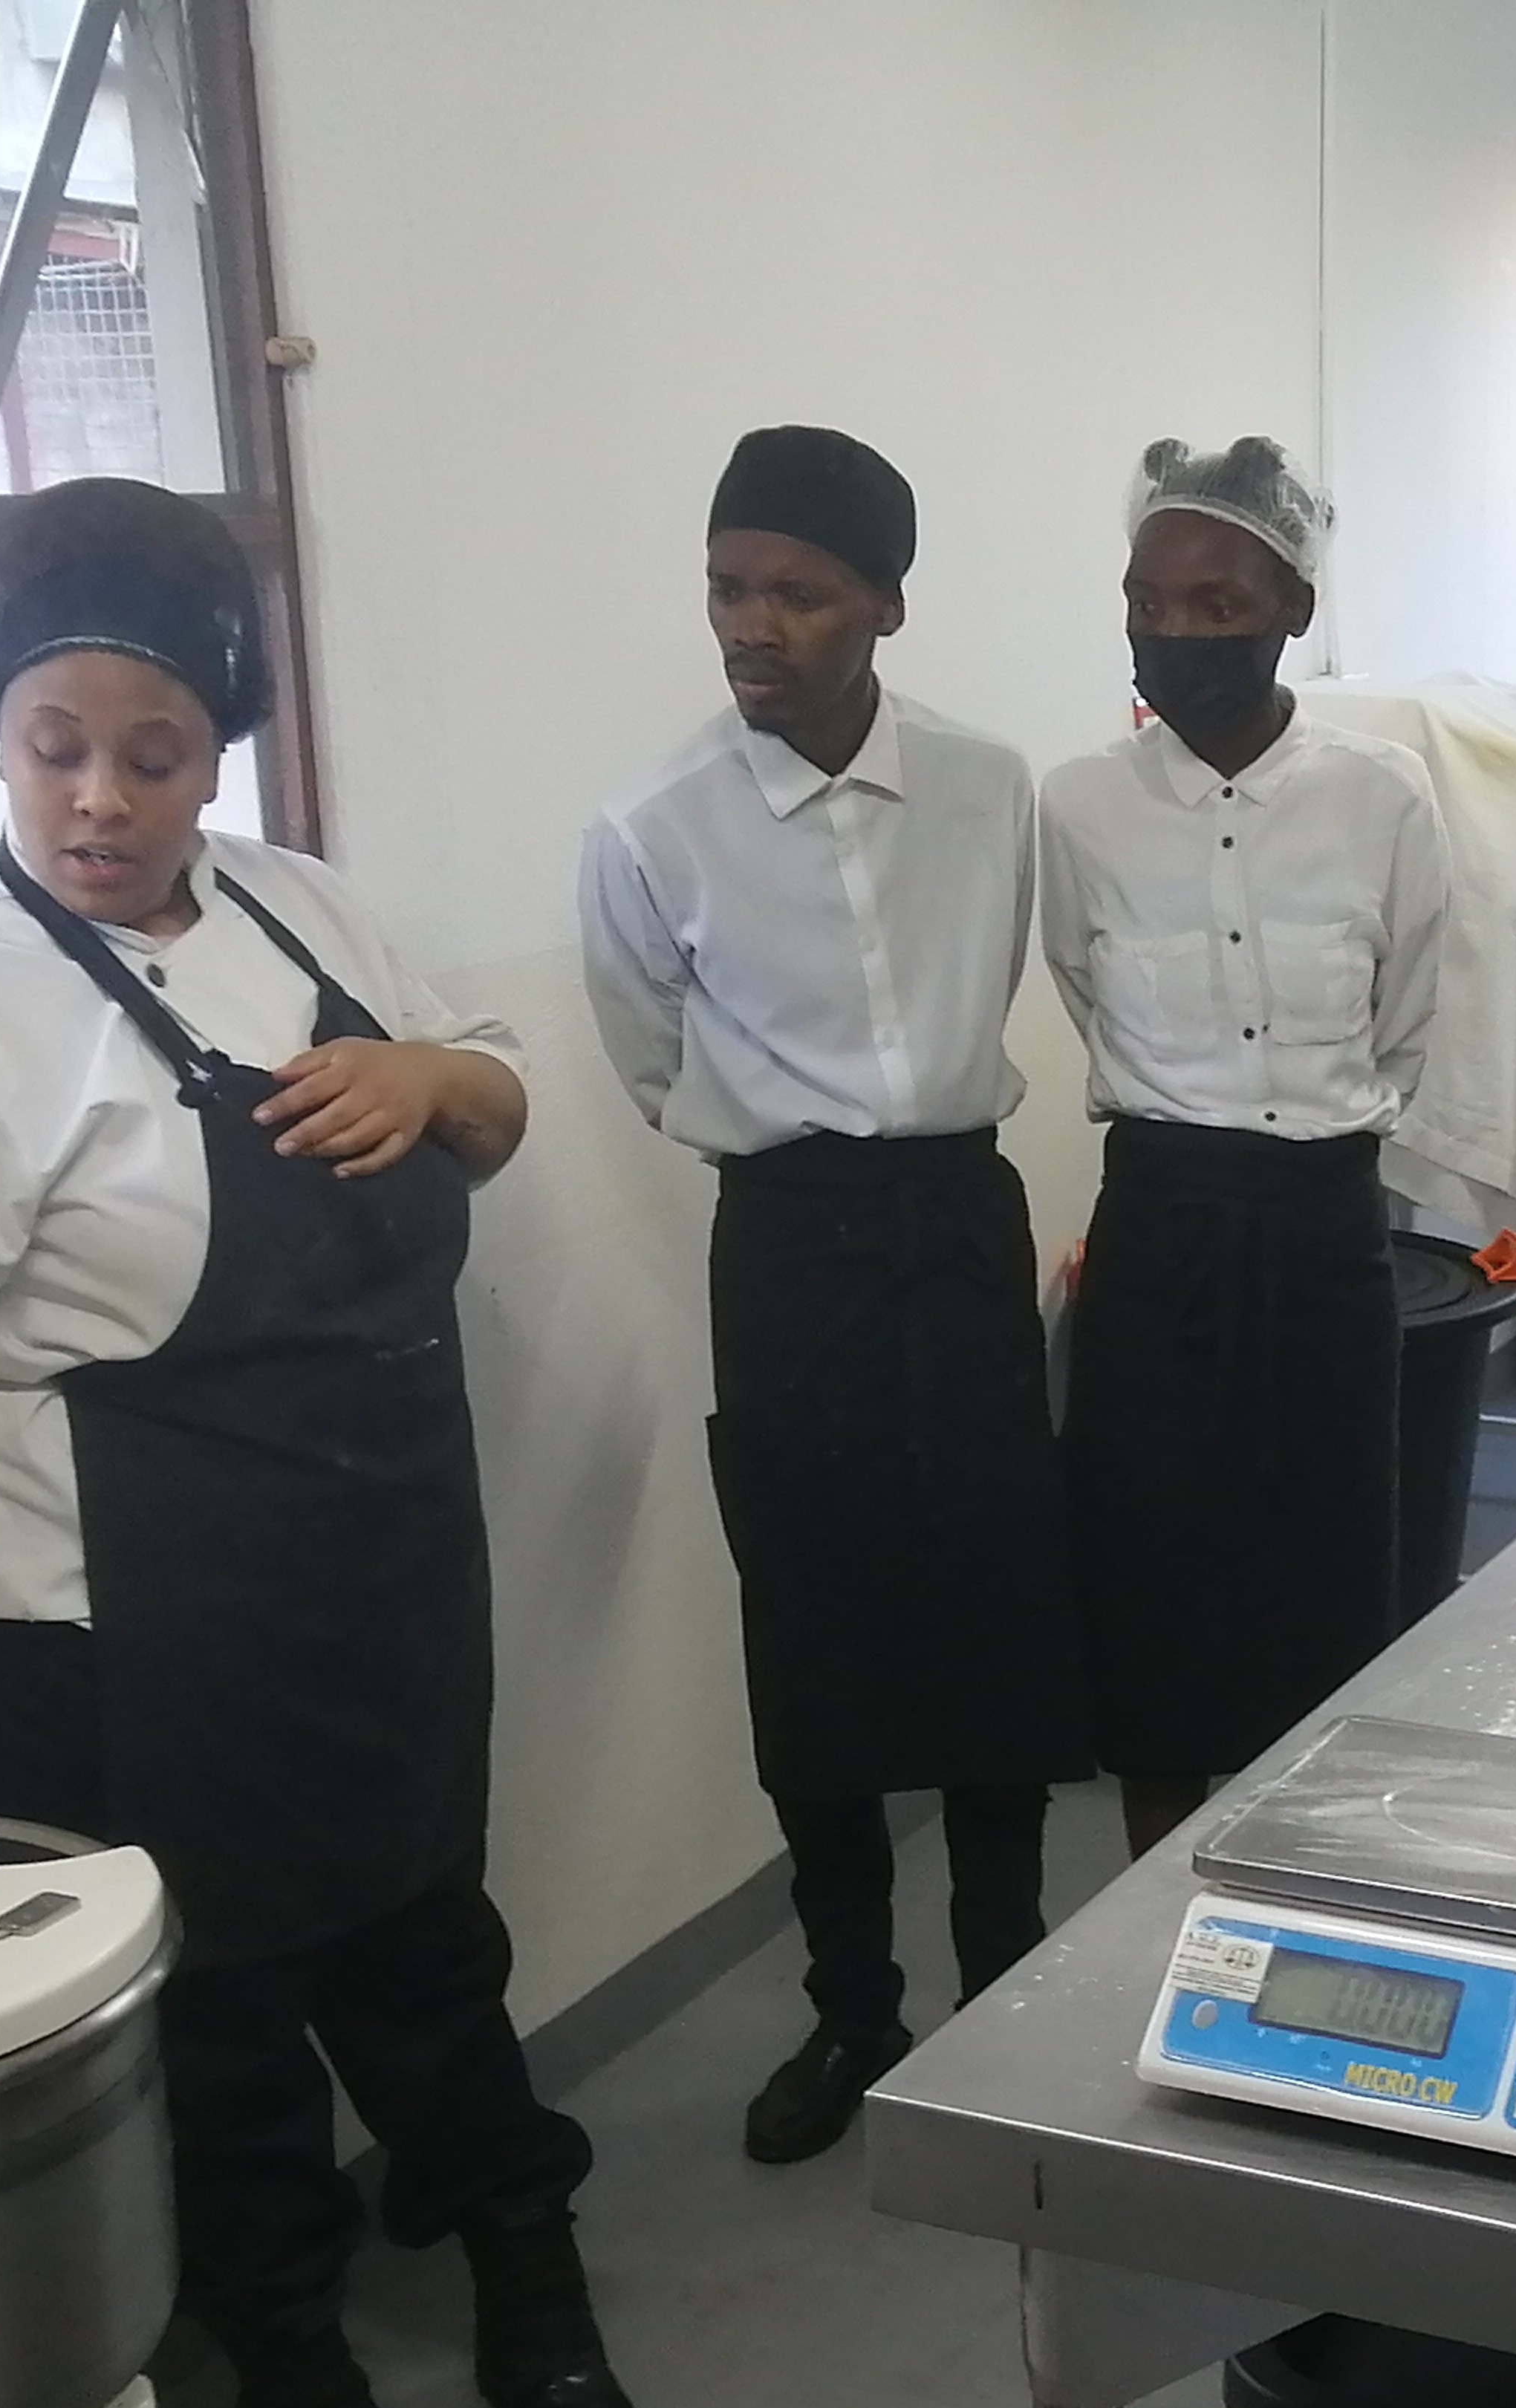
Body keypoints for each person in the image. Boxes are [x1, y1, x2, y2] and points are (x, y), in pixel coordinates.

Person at [0, 478, 631, 2408]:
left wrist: (428, 1082)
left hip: (381, 1549)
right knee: (216, 2026)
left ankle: (528, 2281)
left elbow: (497, 1091)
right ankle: (295, 2383)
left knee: (426, 1944)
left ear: (221, 749)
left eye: (153, 754)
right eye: (54, 750)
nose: (101, 802)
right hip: (108, 1607)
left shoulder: (310, 916)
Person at [579, 426, 1093, 2165]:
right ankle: (852, 2006)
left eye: (797, 590)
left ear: (884, 603)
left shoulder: (987, 785)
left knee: (1002, 1605)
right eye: (730, 586)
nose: (755, 623)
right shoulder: (652, 827)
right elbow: (652, 1060)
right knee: (810, 1633)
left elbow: (1017, 970)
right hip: (785, 1242)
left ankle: (1006, 1984)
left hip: (954, 1219)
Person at [1041, 437, 1448, 1856]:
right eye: (1153, 601)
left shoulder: (1383, 802)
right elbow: (1081, 990)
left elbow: (1402, 1029)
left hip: (1326, 1225)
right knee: (1149, 1566)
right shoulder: (1077, 808)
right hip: (1159, 1220)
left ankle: (1314, 1870)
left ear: (1295, 612)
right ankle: (1160, 1876)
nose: (1179, 632)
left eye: (1220, 605)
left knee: (1327, 1562)